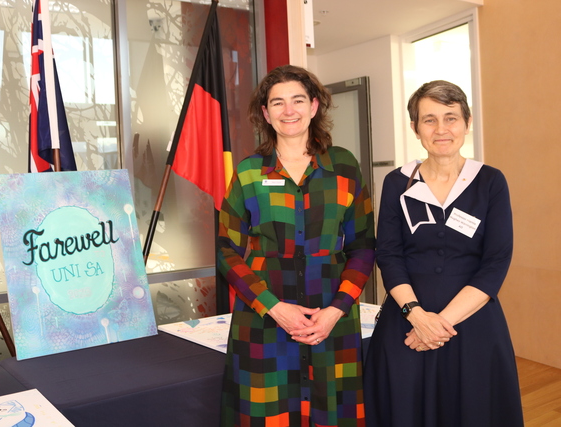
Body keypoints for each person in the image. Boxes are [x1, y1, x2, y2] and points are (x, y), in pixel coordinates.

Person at [217, 65, 375, 427]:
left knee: (332, 414)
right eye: (278, 102)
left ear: (314, 106)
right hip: (265, 317)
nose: (289, 110)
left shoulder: (344, 166)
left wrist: (336, 309)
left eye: (298, 100)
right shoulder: (248, 172)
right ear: (265, 113)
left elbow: (363, 246)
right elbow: (227, 250)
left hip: (330, 317)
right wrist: (273, 307)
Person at [364, 80, 523, 426]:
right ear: (415, 128)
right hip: (405, 323)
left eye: (451, 118)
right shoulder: (397, 182)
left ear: (467, 122)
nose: (441, 129)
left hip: (472, 324)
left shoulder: (490, 182)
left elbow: (496, 261)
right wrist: (417, 316)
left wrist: (439, 325)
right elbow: (388, 254)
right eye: (429, 120)